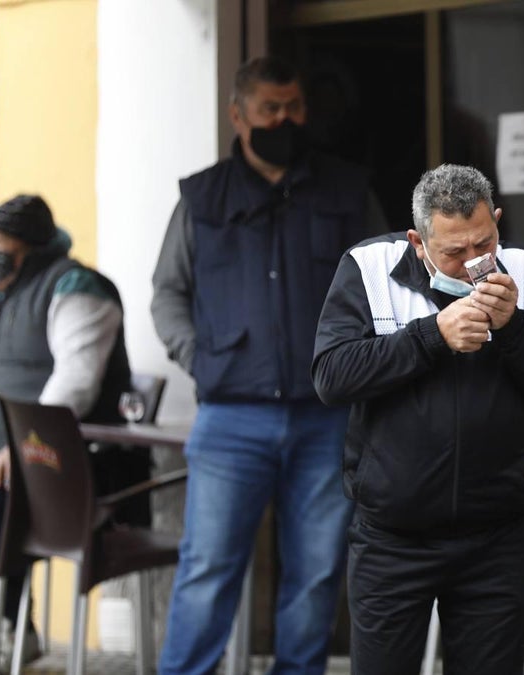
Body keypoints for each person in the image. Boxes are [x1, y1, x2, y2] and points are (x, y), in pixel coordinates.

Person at [151, 55, 384, 675]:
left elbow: (389, 287)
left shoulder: (346, 191)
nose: (284, 119)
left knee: (316, 572)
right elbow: (167, 294)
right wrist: (199, 359)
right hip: (230, 419)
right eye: (269, 109)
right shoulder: (202, 198)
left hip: (326, 419)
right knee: (207, 569)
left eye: (294, 107)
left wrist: (364, 364)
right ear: (238, 115)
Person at [312, 163, 524, 674]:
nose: (471, 263)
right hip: (393, 536)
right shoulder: (369, 267)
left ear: (497, 221)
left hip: (495, 536)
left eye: (483, 244)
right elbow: (332, 376)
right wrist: (431, 336)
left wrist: (514, 328)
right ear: (418, 241)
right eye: (454, 252)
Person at [0, 194, 134, 672]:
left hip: (67, 459)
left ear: (31, 247)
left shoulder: (76, 286)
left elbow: (76, 380)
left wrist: (23, 445)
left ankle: (14, 624)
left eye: (1, 244)